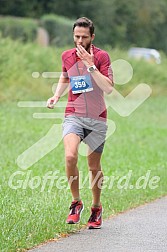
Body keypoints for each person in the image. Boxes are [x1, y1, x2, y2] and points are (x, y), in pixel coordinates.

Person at [47, 17, 113, 229]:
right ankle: (76, 203)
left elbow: (109, 87)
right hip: (73, 114)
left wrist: (91, 66)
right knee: (69, 156)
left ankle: (96, 207)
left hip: (97, 118)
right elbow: (65, 76)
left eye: (84, 37)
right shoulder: (67, 55)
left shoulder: (102, 57)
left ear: (92, 37)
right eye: (76, 36)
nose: (80, 40)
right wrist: (56, 96)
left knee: (94, 166)